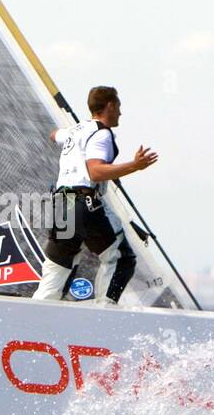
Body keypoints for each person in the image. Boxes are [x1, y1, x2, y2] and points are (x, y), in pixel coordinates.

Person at [32, 85, 158, 304]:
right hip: (84, 205)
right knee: (121, 258)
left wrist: (67, 139)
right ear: (109, 105)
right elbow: (95, 170)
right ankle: (104, 313)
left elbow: (54, 135)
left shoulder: (74, 131)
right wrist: (134, 166)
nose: (120, 112)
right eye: (118, 106)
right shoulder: (102, 134)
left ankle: (36, 315)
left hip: (62, 208)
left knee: (58, 269)